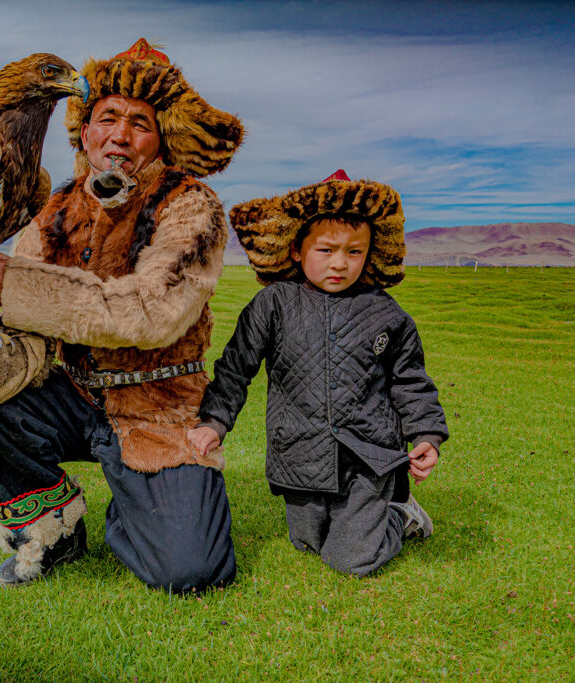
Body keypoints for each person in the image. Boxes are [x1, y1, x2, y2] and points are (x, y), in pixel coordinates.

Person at [0, 39, 244, 592]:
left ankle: (143, 508)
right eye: (107, 118)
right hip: (76, 394)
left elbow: (152, 313)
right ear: (85, 131)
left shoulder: (191, 206)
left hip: (157, 408)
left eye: (140, 123)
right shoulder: (53, 208)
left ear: (161, 141)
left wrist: (20, 285)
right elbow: (25, 330)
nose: (121, 135)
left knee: (189, 571)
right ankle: (51, 531)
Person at [188, 170, 449, 577]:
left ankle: (400, 516)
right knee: (307, 542)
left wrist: (427, 434)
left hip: (369, 453)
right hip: (299, 450)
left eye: (354, 252)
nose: (341, 264)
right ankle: (369, 518)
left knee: (350, 559)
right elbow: (236, 367)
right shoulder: (272, 304)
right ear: (296, 250)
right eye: (326, 250)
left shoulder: (386, 313)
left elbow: (409, 380)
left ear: (369, 253)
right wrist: (215, 422)